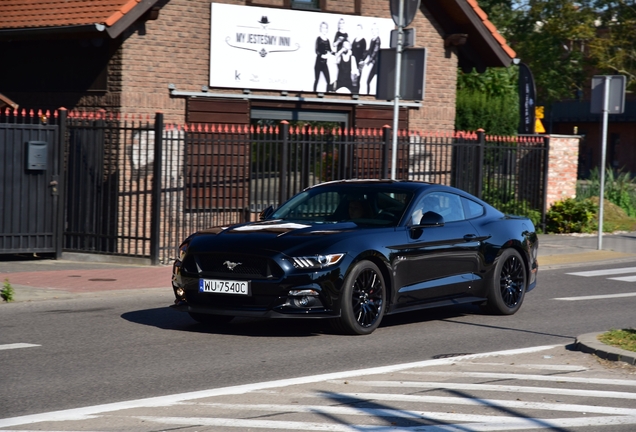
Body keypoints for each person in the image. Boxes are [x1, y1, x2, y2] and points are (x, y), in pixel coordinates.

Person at [313, 21, 333, 92]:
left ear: (327, 29)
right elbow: (317, 50)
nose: (324, 29)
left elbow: (330, 50)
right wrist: (322, 56)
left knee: (328, 80)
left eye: (325, 28)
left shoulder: (327, 40)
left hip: (324, 64)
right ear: (320, 28)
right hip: (318, 63)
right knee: (316, 80)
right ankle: (313, 93)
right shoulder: (318, 39)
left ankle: (327, 93)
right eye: (323, 27)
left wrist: (333, 53)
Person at [361, 23, 380, 94]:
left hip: (376, 65)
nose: (373, 31)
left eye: (374, 29)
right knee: (368, 81)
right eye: (372, 29)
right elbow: (369, 51)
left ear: (377, 30)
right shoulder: (372, 40)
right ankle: (368, 94)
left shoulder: (377, 40)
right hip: (373, 64)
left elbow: (374, 51)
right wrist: (363, 59)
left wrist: (368, 61)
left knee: (373, 82)